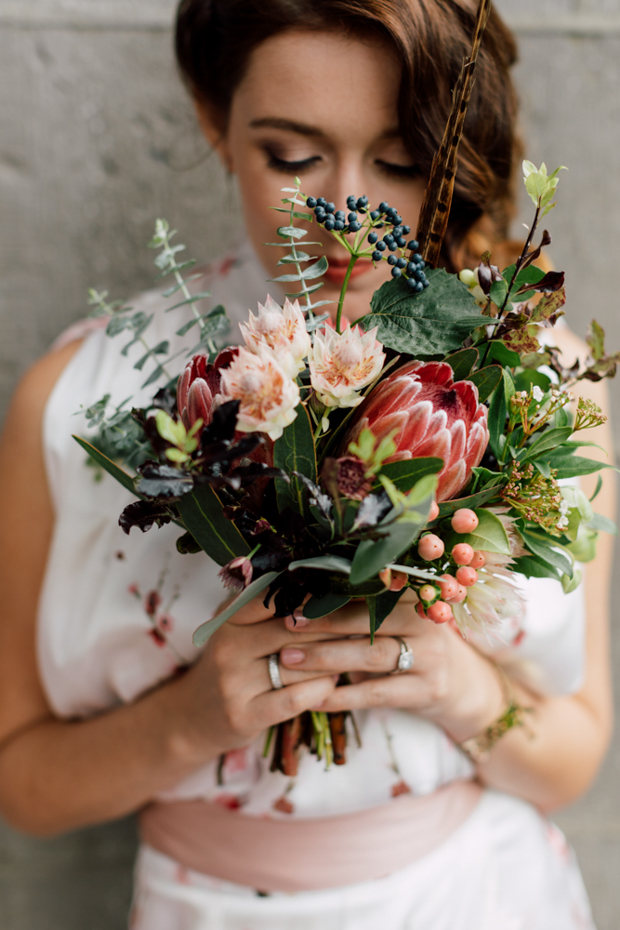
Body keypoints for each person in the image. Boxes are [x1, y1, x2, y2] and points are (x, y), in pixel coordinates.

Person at [0, 1, 614, 927]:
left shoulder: (543, 386)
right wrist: (188, 721)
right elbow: (26, 785)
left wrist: (462, 687)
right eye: (293, 156)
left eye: (402, 159)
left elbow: (572, 759)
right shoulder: (76, 400)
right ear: (216, 123)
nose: (353, 216)